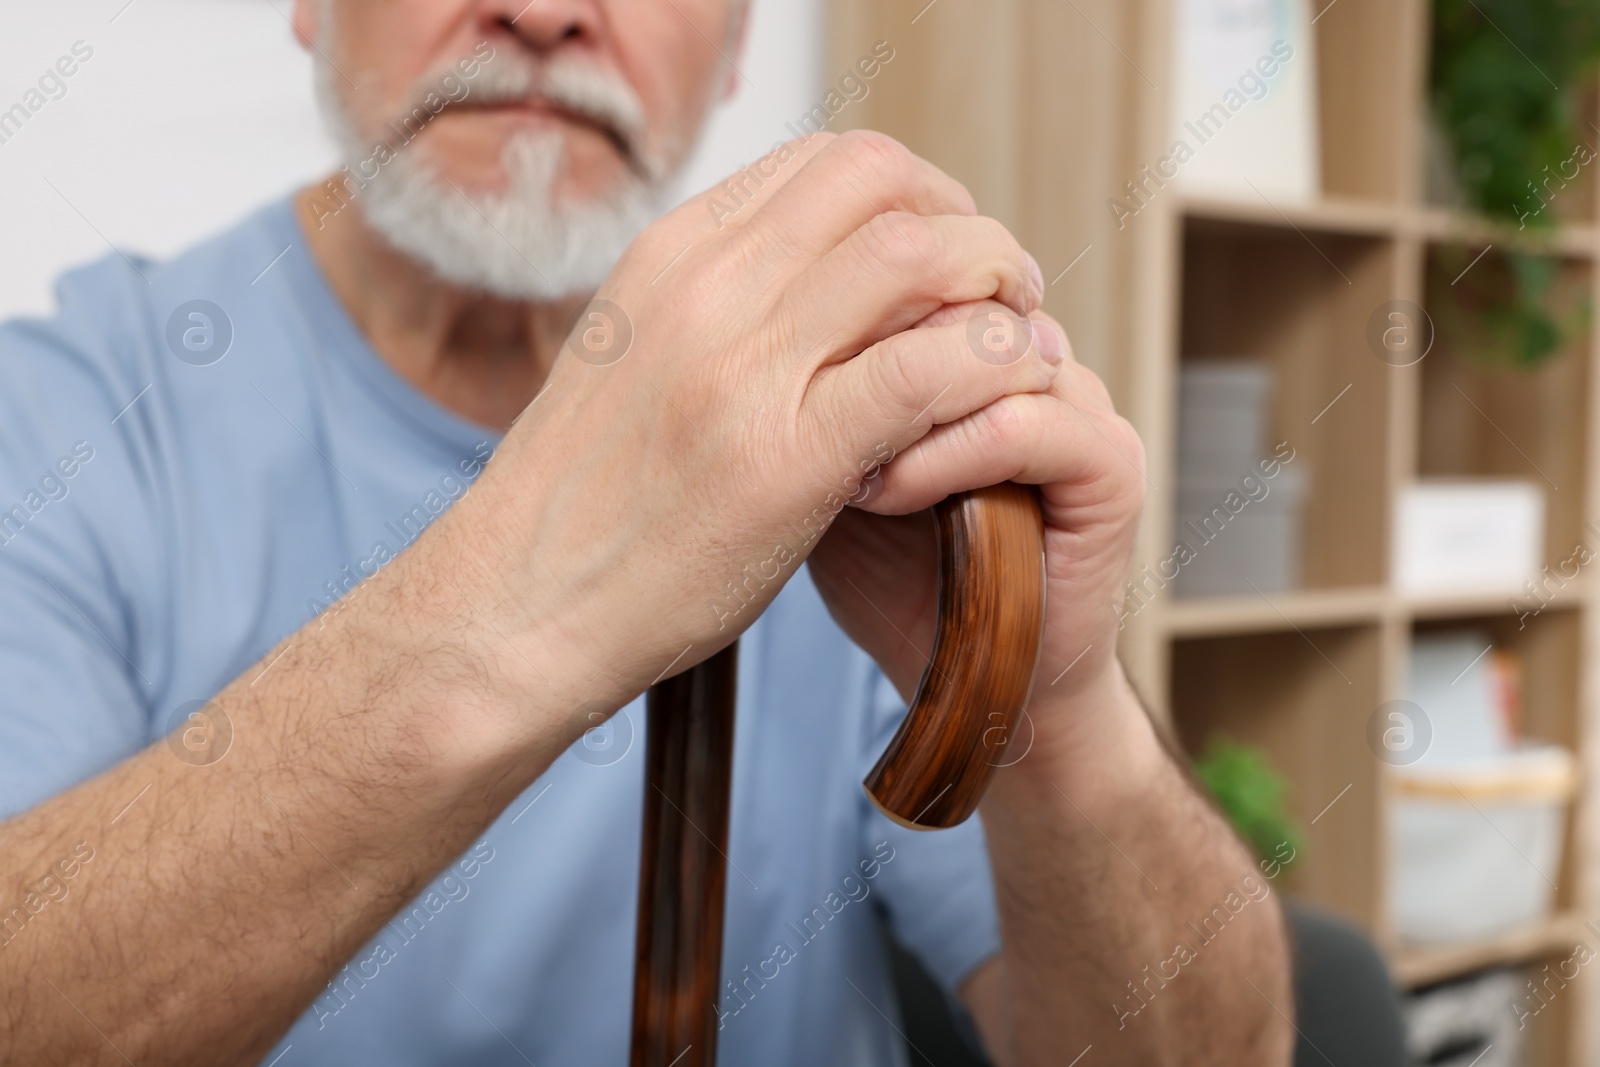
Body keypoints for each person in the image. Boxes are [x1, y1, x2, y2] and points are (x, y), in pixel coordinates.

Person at [0, 1, 1291, 1064]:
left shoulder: (858, 438)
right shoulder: (57, 422)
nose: (548, 14)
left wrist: (1053, 717)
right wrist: (523, 604)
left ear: (735, 50)